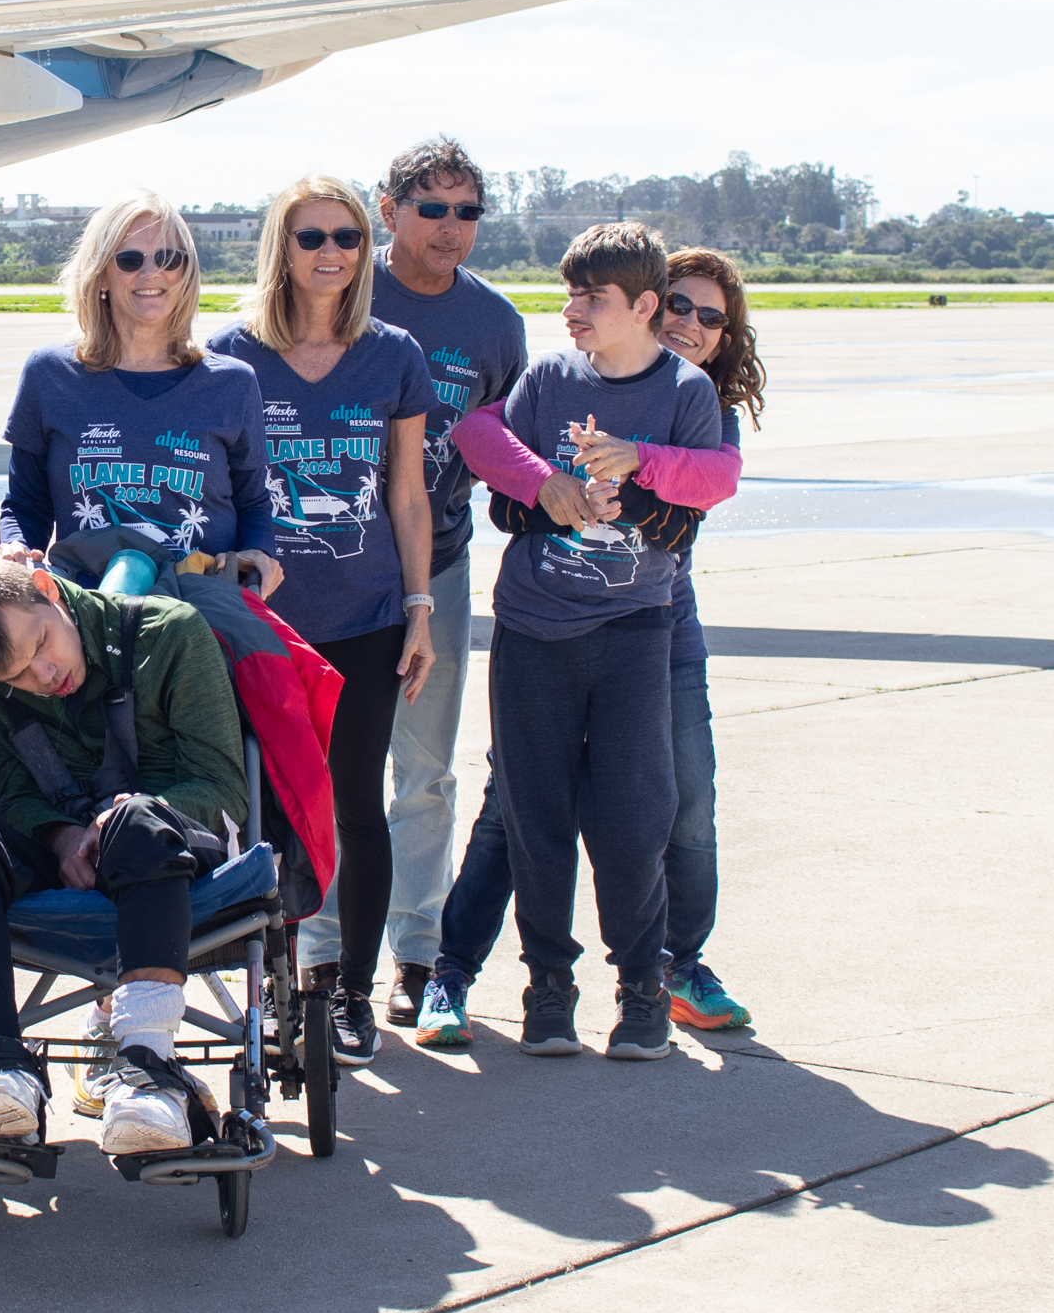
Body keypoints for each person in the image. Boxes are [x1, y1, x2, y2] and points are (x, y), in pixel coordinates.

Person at [414, 246, 759, 1049]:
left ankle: (668, 972)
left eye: (711, 318)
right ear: (655, 303)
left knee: (661, 812)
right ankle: (465, 972)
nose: (692, 325)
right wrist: (542, 485)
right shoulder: (554, 379)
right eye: (683, 305)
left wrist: (638, 463)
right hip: (542, 626)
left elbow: (714, 481)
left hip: (654, 632)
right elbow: (483, 439)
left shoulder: (692, 399)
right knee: (522, 813)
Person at [206, 175, 435, 1071]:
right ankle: (276, 982)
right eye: (311, 237)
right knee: (258, 807)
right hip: (261, 626)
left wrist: (419, 607)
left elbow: (408, 497)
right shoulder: (229, 356)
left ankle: (347, 993)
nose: (331, 251)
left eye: (345, 234)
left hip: (368, 615)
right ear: (281, 247)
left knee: (354, 804)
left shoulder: (395, 354)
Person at [0, 557, 249, 1156]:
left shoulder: (171, 633)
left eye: (41, 643)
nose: (44, 675)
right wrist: (60, 836)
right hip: (63, 845)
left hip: (169, 843)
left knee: (137, 821)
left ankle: (148, 1067)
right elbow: (10, 787)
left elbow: (223, 787)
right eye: (17, 676)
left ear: (46, 590)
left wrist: (122, 817)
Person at [364, 139, 528, 1029]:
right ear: (387, 209)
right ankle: (318, 949)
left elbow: (501, 437)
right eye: (432, 208)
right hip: (338, 571)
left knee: (422, 772)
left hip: (447, 562)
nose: (451, 228)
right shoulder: (346, 289)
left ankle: (415, 951)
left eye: (468, 212)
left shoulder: (496, 324)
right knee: (326, 766)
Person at [0, 186, 280, 592]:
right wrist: (16, 547)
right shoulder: (49, 375)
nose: (151, 273)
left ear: (186, 271)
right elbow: (26, 505)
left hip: (201, 616)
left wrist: (259, 553)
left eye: (168, 258)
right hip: (88, 614)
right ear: (101, 275)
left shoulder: (233, 382)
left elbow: (253, 505)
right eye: (129, 260)